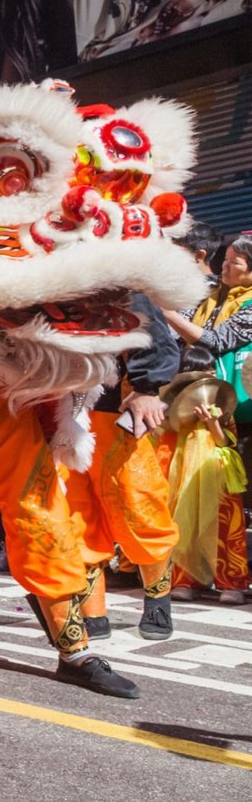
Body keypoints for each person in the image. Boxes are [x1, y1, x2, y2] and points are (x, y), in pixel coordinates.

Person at [65, 293, 181, 640]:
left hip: (114, 411)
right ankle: (92, 611)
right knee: (75, 513)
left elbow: (151, 331)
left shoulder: (117, 278)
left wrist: (147, 387)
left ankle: (158, 599)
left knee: (139, 504)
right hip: (62, 413)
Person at [162, 233, 252, 607]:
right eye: (225, 261)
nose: (225, 267)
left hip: (232, 411)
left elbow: (216, 341)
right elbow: (173, 329)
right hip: (186, 406)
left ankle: (231, 577)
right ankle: (186, 575)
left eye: (235, 263)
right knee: (181, 495)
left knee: (226, 499)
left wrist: (163, 312)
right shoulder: (208, 295)